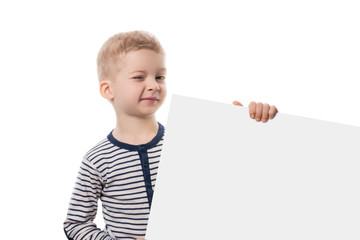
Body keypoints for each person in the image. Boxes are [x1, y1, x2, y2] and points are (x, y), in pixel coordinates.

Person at [63, 30, 278, 240]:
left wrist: (250, 126)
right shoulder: (96, 159)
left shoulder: (187, 141)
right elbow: (76, 225)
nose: (154, 85)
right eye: (139, 77)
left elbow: (233, 183)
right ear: (108, 90)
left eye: (160, 76)